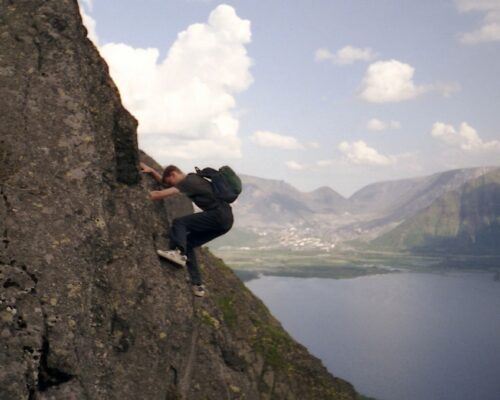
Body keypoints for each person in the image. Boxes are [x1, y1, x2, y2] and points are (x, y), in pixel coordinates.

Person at [140, 162, 234, 297]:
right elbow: (165, 184)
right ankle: (198, 285)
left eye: (171, 181)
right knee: (188, 243)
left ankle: (178, 253)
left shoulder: (188, 182)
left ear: (174, 174)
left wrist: (135, 193)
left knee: (179, 223)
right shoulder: (193, 179)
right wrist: (152, 171)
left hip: (218, 215)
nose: (172, 186)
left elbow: (159, 194)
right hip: (226, 221)